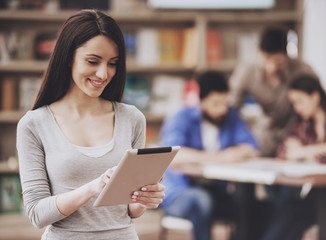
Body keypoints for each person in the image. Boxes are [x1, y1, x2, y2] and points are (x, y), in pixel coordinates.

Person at [16, 9, 165, 240]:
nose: (103, 73)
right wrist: (93, 188)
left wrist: (144, 200)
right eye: (93, 61)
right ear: (68, 58)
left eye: (113, 63)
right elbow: (37, 214)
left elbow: (128, 212)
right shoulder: (34, 124)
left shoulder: (132, 119)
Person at [159, 70, 259, 240]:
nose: (222, 109)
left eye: (225, 103)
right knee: (202, 201)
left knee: (253, 208)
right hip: (180, 191)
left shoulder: (231, 116)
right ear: (201, 101)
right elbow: (172, 155)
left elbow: (252, 148)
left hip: (216, 189)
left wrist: (239, 151)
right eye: (215, 104)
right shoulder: (181, 117)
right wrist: (220, 157)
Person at [261, 74, 326, 240]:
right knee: (289, 213)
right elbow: (283, 152)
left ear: (315, 97)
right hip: (317, 196)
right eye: (294, 103)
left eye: (300, 101)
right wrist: (311, 151)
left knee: (291, 210)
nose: (297, 108)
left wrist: (301, 152)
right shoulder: (305, 126)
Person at [229, 27, 317, 157]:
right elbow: (231, 107)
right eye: (267, 59)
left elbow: (318, 102)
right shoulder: (246, 72)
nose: (271, 68)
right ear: (259, 53)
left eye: (278, 63)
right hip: (265, 135)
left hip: (296, 135)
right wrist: (242, 136)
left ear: (287, 56)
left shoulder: (301, 69)